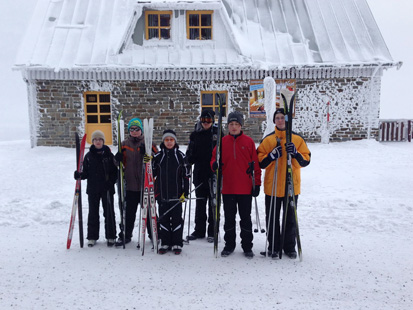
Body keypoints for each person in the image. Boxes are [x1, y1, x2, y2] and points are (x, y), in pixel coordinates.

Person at [257, 108, 311, 259]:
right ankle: (274, 246)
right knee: (272, 218)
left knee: (290, 218)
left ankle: (289, 247)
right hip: (272, 186)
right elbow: (260, 161)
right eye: (278, 118)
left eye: (283, 118)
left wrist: (295, 153)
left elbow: (306, 160)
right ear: (274, 121)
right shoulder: (268, 140)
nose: (280, 120)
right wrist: (271, 156)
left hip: (291, 186)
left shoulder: (297, 139)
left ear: (287, 120)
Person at [210, 111, 261, 258]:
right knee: (229, 219)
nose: (233, 127)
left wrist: (256, 184)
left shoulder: (248, 142)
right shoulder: (222, 142)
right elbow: (213, 159)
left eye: (236, 124)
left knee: (245, 218)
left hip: (245, 188)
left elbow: (256, 165)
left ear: (241, 126)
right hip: (228, 188)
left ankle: (247, 246)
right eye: (231, 124)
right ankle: (229, 245)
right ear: (228, 126)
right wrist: (214, 165)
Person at [114, 117, 158, 247]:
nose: (134, 131)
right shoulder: (124, 144)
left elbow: (158, 159)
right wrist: (117, 159)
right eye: (132, 129)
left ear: (141, 130)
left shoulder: (149, 142)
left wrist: (149, 154)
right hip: (130, 185)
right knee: (129, 213)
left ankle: (154, 234)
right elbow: (117, 163)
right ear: (129, 131)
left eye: (137, 129)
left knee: (150, 212)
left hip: (146, 185)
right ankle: (125, 235)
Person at [74, 130, 117, 247]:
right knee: (93, 213)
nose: (98, 142)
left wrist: (111, 182)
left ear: (103, 141)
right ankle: (92, 237)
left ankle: (111, 236)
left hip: (107, 189)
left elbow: (115, 173)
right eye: (95, 140)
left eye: (100, 139)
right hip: (93, 189)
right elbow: (86, 173)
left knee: (109, 213)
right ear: (93, 142)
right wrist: (80, 175)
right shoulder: (88, 156)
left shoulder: (109, 155)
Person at [152, 129, 190, 255]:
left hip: (177, 196)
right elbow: (151, 174)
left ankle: (177, 243)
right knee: (163, 219)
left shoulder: (180, 156)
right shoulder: (158, 157)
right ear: (163, 141)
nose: (169, 142)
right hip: (162, 195)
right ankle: (165, 242)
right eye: (167, 140)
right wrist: (146, 162)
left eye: (171, 140)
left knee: (176, 220)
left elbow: (185, 176)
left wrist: (185, 192)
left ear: (175, 141)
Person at [186, 109, 219, 242]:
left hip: (213, 173)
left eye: (208, 120)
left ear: (213, 121)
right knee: (200, 203)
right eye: (203, 120)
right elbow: (190, 153)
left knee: (213, 203)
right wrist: (188, 159)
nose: (206, 123)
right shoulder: (195, 134)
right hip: (199, 173)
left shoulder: (217, 134)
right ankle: (199, 230)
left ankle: (212, 231)